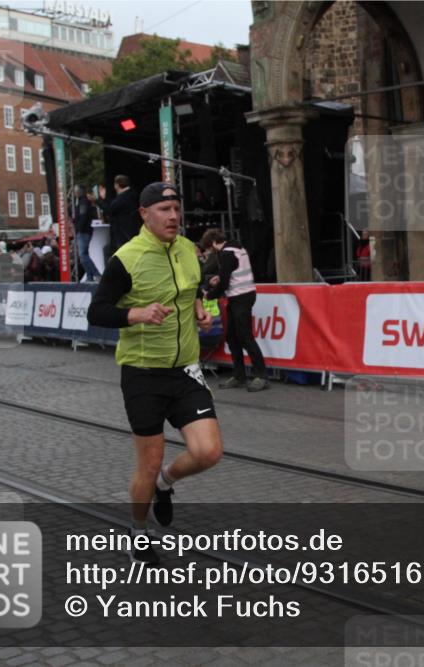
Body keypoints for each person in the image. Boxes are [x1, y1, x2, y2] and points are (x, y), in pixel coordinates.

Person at [88, 182, 222, 564]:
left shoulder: (187, 250)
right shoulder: (126, 259)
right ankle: (139, 531)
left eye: (176, 208)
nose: (174, 216)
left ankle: (166, 483)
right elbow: (96, 312)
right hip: (143, 373)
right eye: (164, 209)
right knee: (146, 463)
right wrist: (137, 314)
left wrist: (198, 308)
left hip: (185, 370)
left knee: (208, 452)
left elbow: (192, 287)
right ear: (144, 215)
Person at [201, 228, 268, 392]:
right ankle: (239, 375)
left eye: (210, 249)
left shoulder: (225, 254)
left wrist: (209, 295)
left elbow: (224, 284)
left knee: (245, 337)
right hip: (242, 296)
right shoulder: (238, 248)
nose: (211, 252)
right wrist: (221, 277)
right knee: (232, 337)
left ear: (213, 244)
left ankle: (261, 375)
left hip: (240, 298)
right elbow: (232, 273)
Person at [97, 175, 141, 254]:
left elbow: (110, 210)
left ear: (117, 185)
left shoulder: (123, 197)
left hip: (123, 234)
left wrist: (99, 201)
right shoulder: (132, 195)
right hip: (130, 232)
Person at [70, 185, 100, 282]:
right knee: (84, 255)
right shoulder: (82, 202)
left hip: (83, 231)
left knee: (83, 256)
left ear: (79, 192)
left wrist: (79, 228)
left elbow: (83, 216)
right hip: (84, 230)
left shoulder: (83, 202)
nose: (74, 193)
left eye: (75, 191)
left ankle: (96, 274)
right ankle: (90, 277)